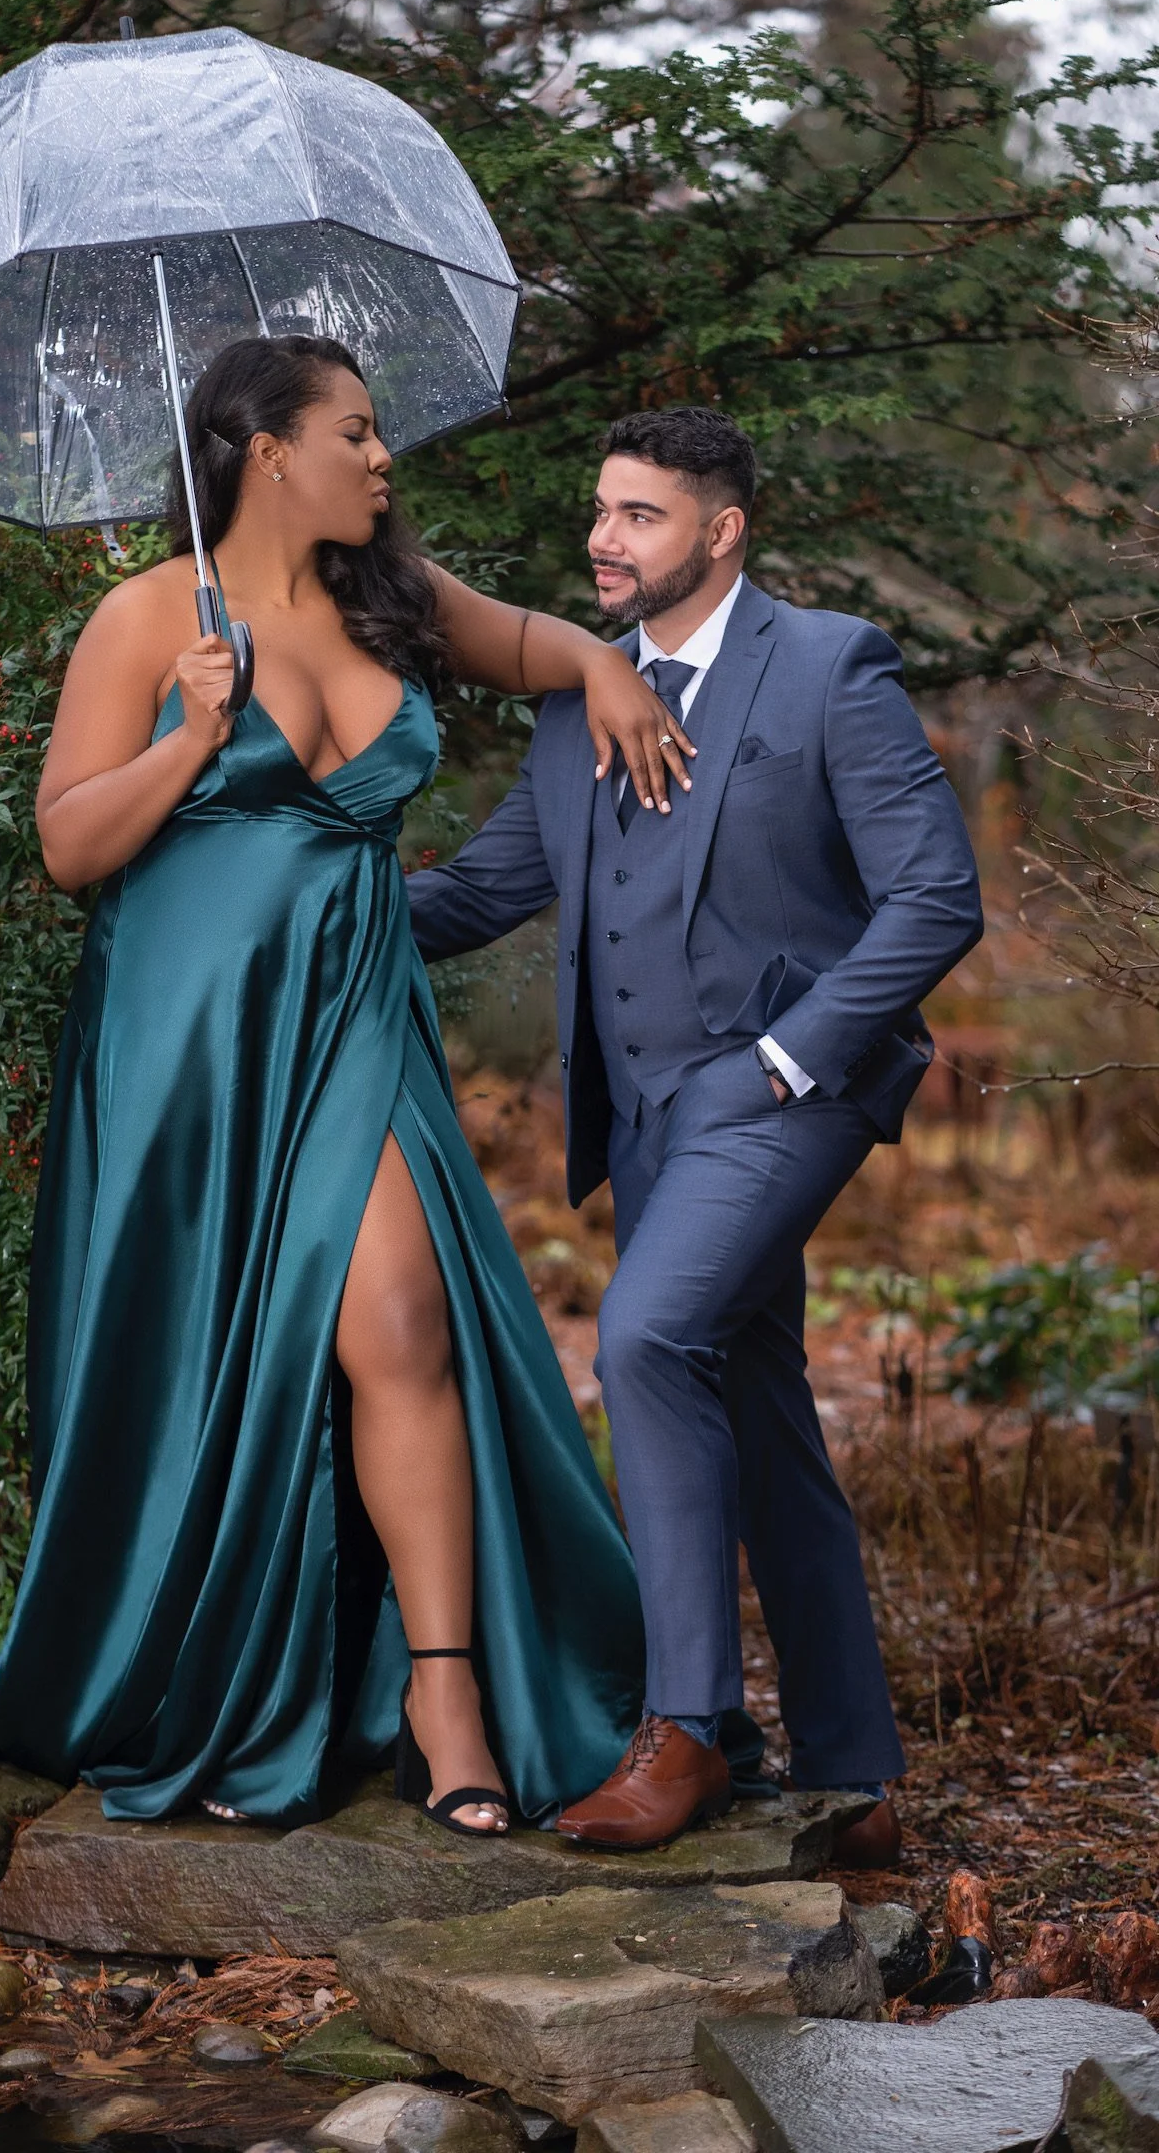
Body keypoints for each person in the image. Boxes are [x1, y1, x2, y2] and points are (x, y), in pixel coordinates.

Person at [0, 335, 686, 1835]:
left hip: (352, 1015)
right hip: (188, 1043)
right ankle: (218, 1673)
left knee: (401, 1316)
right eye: (354, 434)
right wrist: (193, 741)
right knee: (218, 1355)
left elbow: (536, 643)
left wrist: (608, 670)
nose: (381, 460)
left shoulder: (396, 601)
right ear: (263, 449)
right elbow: (68, 847)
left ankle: (446, 1689)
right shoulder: (146, 617)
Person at [407, 407, 984, 1862]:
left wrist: (795, 1057)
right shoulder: (572, 703)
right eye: (600, 511)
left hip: (779, 1090)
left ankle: (690, 1734)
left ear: (721, 533)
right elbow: (481, 895)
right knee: (757, 1398)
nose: (604, 539)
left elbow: (936, 898)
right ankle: (856, 1776)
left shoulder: (828, 668)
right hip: (649, 1116)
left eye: (640, 515)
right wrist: (285, 888)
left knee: (649, 1342)